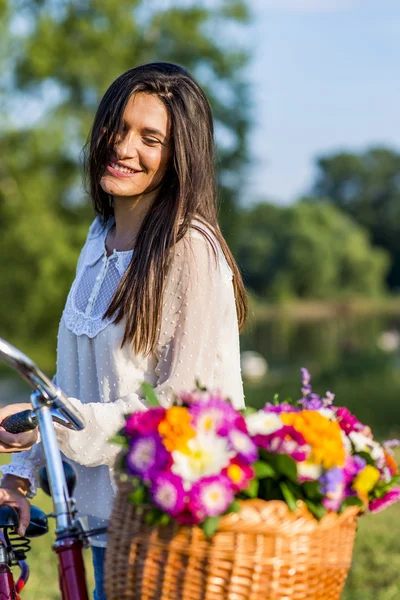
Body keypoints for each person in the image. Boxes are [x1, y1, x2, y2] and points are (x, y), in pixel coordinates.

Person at [0, 62, 247, 600]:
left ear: (179, 156)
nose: (124, 146)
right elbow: (69, 385)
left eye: (150, 138)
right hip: (104, 528)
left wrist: (50, 421)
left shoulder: (190, 250)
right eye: (118, 126)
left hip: (173, 536)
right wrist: (20, 476)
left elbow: (184, 411)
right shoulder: (98, 240)